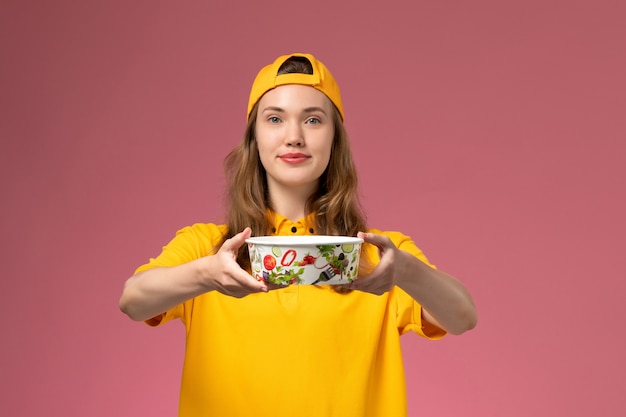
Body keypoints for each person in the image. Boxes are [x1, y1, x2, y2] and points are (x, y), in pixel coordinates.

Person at [119, 52, 477, 417]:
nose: (294, 137)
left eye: (313, 120)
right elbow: (134, 300)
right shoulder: (207, 248)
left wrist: (405, 271)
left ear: (335, 138)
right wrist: (207, 274)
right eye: (275, 119)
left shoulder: (376, 254)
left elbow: (463, 317)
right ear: (254, 138)